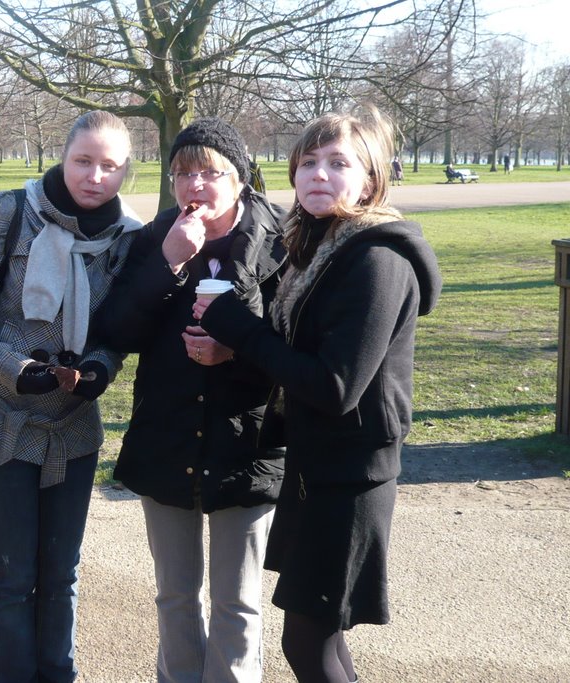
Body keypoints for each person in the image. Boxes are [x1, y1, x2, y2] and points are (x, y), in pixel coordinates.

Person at [195, 108, 442, 683]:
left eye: (338, 163)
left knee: (308, 645)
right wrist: (238, 344)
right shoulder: (321, 249)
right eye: (308, 162)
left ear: (372, 177)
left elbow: (335, 387)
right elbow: (300, 355)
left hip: (350, 478)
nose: (318, 175)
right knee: (317, 642)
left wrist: (240, 328)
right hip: (317, 468)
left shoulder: (377, 261)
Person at [0, 110, 144, 683]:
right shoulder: (12, 210)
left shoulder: (128, 238)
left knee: (61, 575)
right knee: (14, 575)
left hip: (73, 430)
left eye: (109, 165)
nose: (94, 176)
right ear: (64, 156)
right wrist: (17, 369)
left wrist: (102, 366)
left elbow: (117, 329)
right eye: (84, 160)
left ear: (124, 170)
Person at [96, 118, 288, 683]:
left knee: (239, 603)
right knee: (176, 597)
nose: (195, 185)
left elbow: (298, 343)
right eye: (183, 173)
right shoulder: (153, 238)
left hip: (246, 441)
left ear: (241, 178)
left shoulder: (282, 241)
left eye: (210, 172)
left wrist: (237, 353)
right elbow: (117, 330)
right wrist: (170, 262)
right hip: (168, 435)